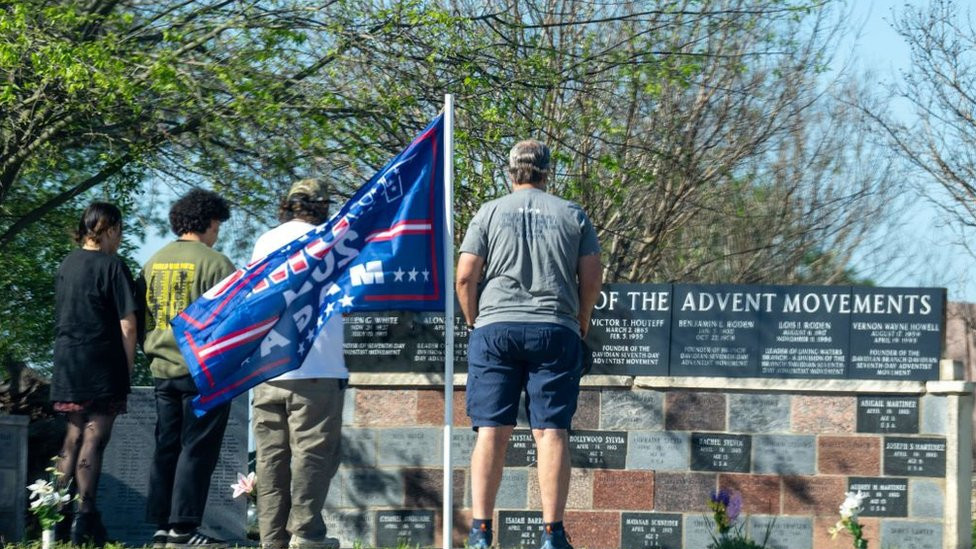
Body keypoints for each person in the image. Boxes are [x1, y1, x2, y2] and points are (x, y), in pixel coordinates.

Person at [456, 140, 602, 549]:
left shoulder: (488, 212)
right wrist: (582, 319)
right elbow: (591, 277)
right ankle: (552, 535)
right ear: (546, 172)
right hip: (555, 328)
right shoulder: (573, 213)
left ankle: (481, 533)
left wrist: (474, 320)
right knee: (551, 432)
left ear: (510, 171)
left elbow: (466, 276)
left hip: (495, 329)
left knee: (491, 431)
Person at [249, 179, 347, 549]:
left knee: (271, 457)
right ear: (321, 206)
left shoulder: (265, 242)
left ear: (289, 205)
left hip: (268, 364)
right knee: (314, 453)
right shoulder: (330, 240)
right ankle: (305, 534)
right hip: (316, 362)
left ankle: (271, 538)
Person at [140, 189, 235, 549]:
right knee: (197, 449)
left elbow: (141, 314)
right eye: (217, 227)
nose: (218, 234)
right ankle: (184, 528)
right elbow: (231, 319)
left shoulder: (152, 262)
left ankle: (162, 525)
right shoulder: (217, 263)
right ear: (209, 223)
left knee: (167, 446)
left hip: (161, 368)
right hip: (203, 370)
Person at [50, 202, 139, 546]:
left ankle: (55, 515)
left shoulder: (67, 264)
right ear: (111, 229)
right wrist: (127, 368)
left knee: (71, 438)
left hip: (68, 361)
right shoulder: (113, 266)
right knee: (94, 439)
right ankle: (84, 518)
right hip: (102, 362)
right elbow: (128, 325)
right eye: (120, 231)